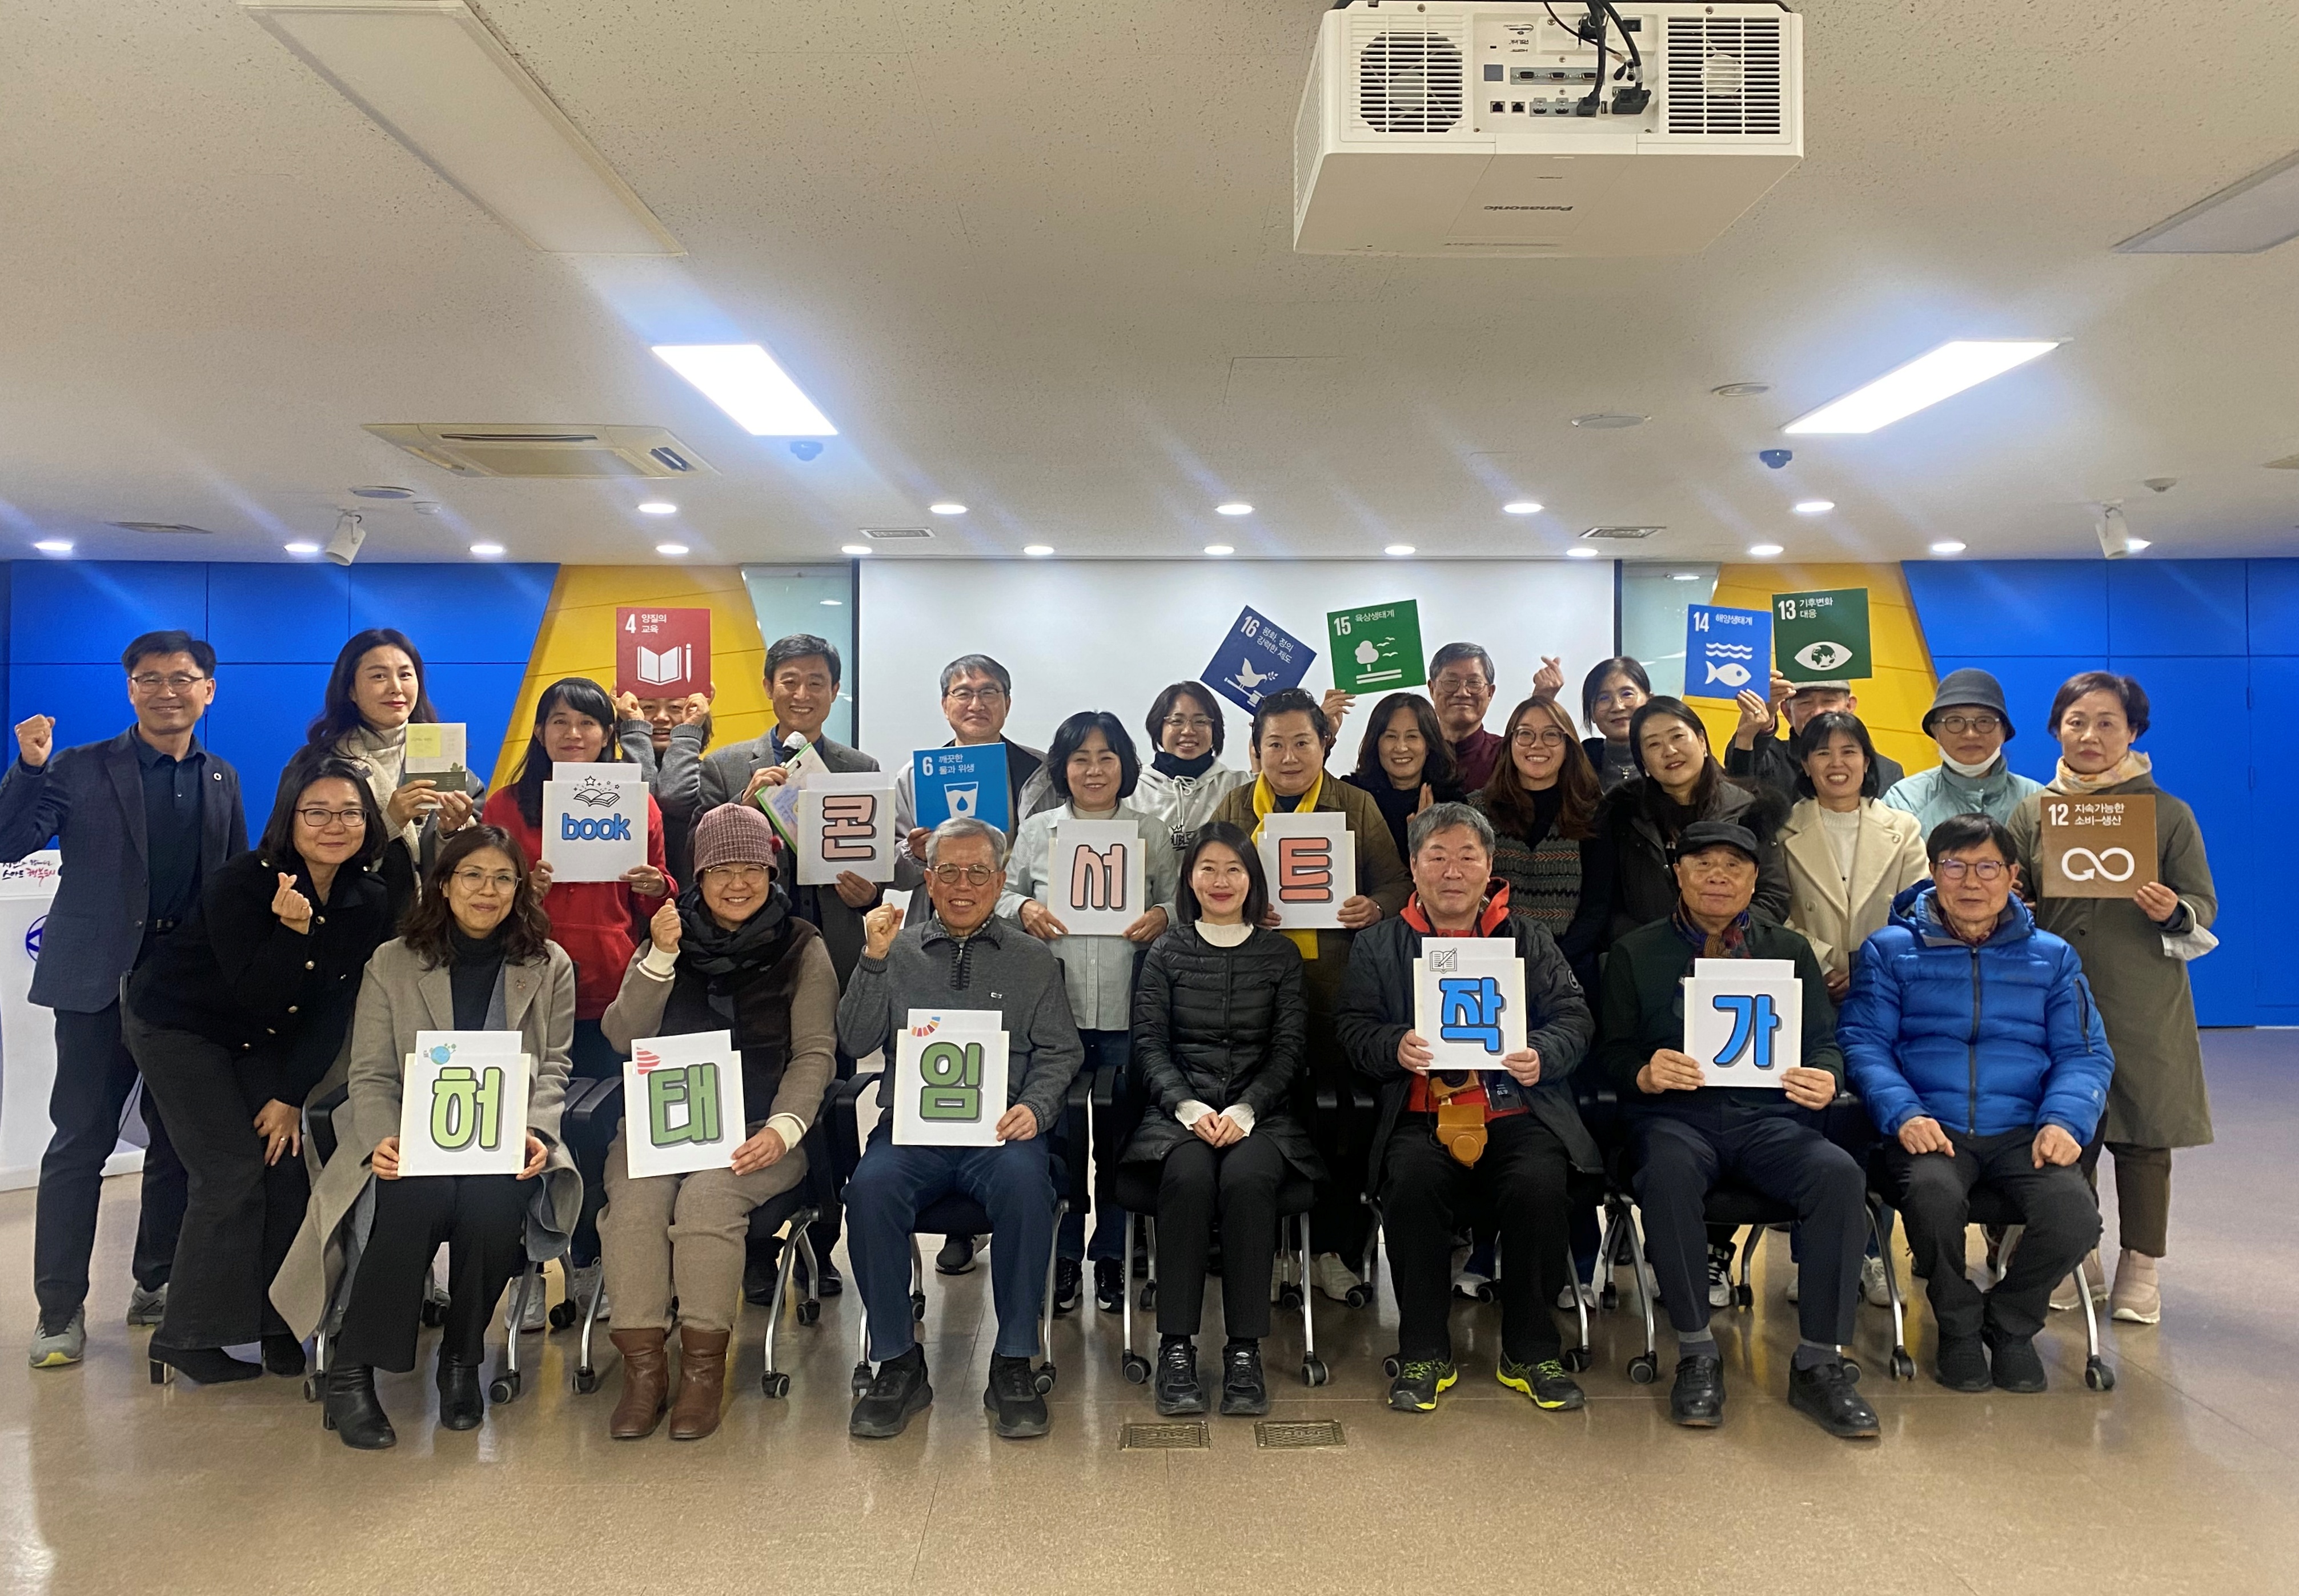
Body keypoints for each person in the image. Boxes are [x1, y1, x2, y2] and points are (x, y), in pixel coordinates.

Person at [272, 826, 579, 1449]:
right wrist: (382, 1139)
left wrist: (536, 1130)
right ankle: (353, 1370)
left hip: (502, 1138)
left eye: (503, 878)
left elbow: (554, 1066)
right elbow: (371, 1073)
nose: (487, 890)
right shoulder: (392, 961)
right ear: (443, 882)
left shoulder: (548, 963)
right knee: (417, 1197)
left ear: (520, 888)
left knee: (494, 1207)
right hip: (411, 1138)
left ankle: (461, 1361)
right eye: (473, 875)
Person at [1, 629, 244, 1370]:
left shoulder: (220, 776)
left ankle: (156, 1280)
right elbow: (11, 842)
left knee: (176, 1141)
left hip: (181, 991)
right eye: (149, 678)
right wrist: (28, 768)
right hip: (95, 985)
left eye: (182, 677)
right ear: (130, 688)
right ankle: (58, 1311)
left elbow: (230, 879)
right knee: (81, 1142)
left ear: (208, 689)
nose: (167, 690)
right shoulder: (78, 765)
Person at [1596, 820, 1879, 1440]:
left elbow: (1823, 1042)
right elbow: (1609, 1051)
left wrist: (1826, 1076)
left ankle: (1819, 1361)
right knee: (1666, 1171)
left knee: (1838, 1174)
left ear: (1754, 880)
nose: (1717, 877)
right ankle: (1697, 1351)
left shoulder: (1789, 950)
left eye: (1733, 866)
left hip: (1769, 1119)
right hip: (1674, 1119)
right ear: (1678, 874)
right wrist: (1642, 1071)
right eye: (1702, 864)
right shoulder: (1635, 952)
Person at [122, 759, 392, 1385]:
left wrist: (290, 1096)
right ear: (288, 817)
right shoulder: (242, 882)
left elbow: (331, 1008)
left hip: (261, 1038)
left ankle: (278, 1325)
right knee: (229, 1169)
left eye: (350, 812)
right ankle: (185, 1334)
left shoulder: (367, 896)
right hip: (181, 1025)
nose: (334, 825)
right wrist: (293, 932)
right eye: (316, 812)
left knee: (285, 1161)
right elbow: (257, 994)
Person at [1336, 803, 1598, 1414]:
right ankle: (1424, 1349)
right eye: (1437, 856)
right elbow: (1351, 1028)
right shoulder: (1378, 943)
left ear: (1489, 866)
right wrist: (1393, 1045)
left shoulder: (1526, 937)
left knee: (1539, 1183)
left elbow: (1574, 1016)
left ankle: (1530, 1350)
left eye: (1466, 857)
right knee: (1411, 1181)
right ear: (1413, 865)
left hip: (1514, 1109)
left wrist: (1543, 1052)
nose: (1451, 872)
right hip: (1421, 1113)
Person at [1839, 814, 2112, 1392]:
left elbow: (2084, 1052)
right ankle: (1958, 1325)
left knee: (2074, 1217)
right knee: (1932, 1199)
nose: (1970, 881)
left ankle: (2009, 1322)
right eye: (1954, 866)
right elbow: (1863, 1043)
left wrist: (2064, 1120)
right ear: (1932, 872)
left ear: (2012, 876)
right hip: (1928, 1126)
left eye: (1987, 866)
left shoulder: (2053, 956)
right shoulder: (1890, 950)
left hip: (2023, 1129)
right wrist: (1903, 1113)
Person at [595, 804, 836, 1441]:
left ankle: (703, 1371)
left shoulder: (802, 944)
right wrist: (659, 958)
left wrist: (783, 1128)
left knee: (707, 1201)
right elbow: (621, 1035)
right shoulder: (666, 935)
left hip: (758, 1128)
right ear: (697, 876)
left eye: (751, 868)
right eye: (720, 869)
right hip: (663, 1125)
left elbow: (815, 1051)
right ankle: (645, 1371)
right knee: (637, 1206)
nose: (737, 883)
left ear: (771, 872)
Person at [838, 817, 1084, 1441]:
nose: (963, 884)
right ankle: (897, 1360)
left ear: (1000, 882)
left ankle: (1013, 1360)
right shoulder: (895, 951)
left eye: (978, 872)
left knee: (1027, 1187)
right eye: (948, 870)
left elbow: (1061, 1051)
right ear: (928, 879)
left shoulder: (1032, 960)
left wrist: (1036, 1107)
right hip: (912, 1132)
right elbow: (854, 1039)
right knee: (869, 1189)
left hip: (999, 1132)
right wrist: (871, 960)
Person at [2007, 672, 2216, 1326]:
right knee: (2063, 1126)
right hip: (2054, 998)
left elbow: (2202, 903)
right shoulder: (2032, 811)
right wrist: (2016, 901)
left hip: (2142, 997)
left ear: (2133, 731)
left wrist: (2172, 909)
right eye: (2075, 721)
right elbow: (2014, 891)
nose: (2089, 735)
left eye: (2106, 722)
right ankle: (2078, 1253)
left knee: (2142, 1132)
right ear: (2055, 729)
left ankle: (2140, 1263)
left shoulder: (2166, 813)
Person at [692, 634, 878, 1299]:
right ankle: (751, 1248)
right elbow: (698, 858)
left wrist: (869, 892)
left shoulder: (858, 768)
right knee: (747, 1102)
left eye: (817, 682)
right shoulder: (724, 766)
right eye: (790, 680)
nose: (802, 693)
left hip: (828, 958)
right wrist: (745, 807)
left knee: (827, 1106)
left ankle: (821, 1244)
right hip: (741, 969)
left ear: (835, 691)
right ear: (769, 685)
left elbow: (874, 867)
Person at [1211, 688, 1411, 1302]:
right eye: (1275, 744)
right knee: (1265, 1115)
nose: (1290, 756)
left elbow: (1396, 883)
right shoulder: (1236, 804)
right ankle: (1268, 1245)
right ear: (1256, 749)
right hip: (1253, 990)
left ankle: (1333, 1247)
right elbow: (1205, 883)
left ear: (1324, 743)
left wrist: (1372, 906)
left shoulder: (1354, 803)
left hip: (1336, 990)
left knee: (1339, 1118)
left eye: (1302, 741)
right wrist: (1244, 904)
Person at [482, 677, 672, 1313]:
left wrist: (656, 884)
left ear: (608, 734)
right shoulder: (506, 807)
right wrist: (520, 892)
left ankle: (589, 1261)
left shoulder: (636, 804)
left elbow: (656, 904)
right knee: (517, 1132)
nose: (573, 733)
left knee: (596, 1136)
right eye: (559, 721)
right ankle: (526, 1271)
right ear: (539, 732)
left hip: (609, 992)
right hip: (524, 992)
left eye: (588, 723)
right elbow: (477, 896)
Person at [1122, 822, 1317, 1417]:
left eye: (1234, 868)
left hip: (1262, 1117)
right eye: (1207, 868)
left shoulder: (1279, 954)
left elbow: (1289, 1050)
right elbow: (1149, 1044)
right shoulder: (1166, 951)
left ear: (1252, 879)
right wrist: (1188, 1106)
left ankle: (1243, 1350)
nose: (1220, 880)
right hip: (1177, 1116)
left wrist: (1245, 1108)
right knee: (1187, 1178)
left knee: (1247, 1179)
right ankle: (1176, 1347)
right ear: (1189, 879)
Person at [1000, 711, 1179, 1313]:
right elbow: (1001, 894)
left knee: (1121, 1141)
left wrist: (1163, 915)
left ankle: (1112, 1255)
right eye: (1081, 758)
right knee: (1061, 1142)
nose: (1094, 769)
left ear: (1126, 765)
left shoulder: (1149, 831)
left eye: (1107, 757)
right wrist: (1023, 908)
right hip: (1058, 1018)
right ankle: (1063, 1255)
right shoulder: (1038, 830)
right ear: (1062, 767)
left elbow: (1179, 902)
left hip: (1130, 1014)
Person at [284, 628, 481, 921]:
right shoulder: (318, 765)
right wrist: (389, 822)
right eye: (378, 676)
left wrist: (452, 832)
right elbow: (291, 852)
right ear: (350, 690)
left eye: (406, 675)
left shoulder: (452, 765)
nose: (396, 688)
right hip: (350, 921)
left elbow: (480, 864)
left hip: (436, 926)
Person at [1598, 696, 1788, 944]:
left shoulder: (1748, 808)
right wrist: (1654, 945)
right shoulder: (1622, 813)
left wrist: (1720, 939)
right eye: (1654, 744)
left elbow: (1773, 896)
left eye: (1677, 736)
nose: (1669, 751)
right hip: (1650, 953)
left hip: (1733, 953)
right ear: (1643, 763)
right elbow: (1606, 904)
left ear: (1702, 741)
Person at [1778, 713, 1928, 1000]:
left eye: (1849, 752)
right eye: (1823, 753)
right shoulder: (1784, 831)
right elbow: (1776, 913)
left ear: (1866, 762)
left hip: (1887, 982)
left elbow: (1916, 911)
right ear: (1806, 765)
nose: (1837, 763)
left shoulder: (1905, 829)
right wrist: (1822, 965)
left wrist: (1864, 967)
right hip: (1808, 982)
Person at [1470, 694, 1610, 990]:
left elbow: (1596, 907)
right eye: (1525, 734)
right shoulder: (1476, 811)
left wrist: (1554, 961)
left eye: (1551, 735)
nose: (1537, 745)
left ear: (1568, 745)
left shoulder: (1592, 812)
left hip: (1570, 965)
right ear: (1509, 743)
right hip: (1490, 962)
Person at [893, 653, 1058, 863]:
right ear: (945, 705)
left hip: (1019, 885)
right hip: (942, 885)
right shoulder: (914, 776)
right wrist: (914, 854)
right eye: (963, 694)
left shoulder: (1043, 772)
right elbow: (891, 866)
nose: (976, 705)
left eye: (988, 693)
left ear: (1007, 704)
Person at [1884, 669, 2043, 830]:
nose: (1970, 734)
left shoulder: (2036, 799)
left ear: (2003, 731)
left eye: (1984, 721)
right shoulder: (1905, 800)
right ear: (1935, 732)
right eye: (1955, 721)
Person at [1727, 674, 1905, 799]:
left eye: (1829, 701)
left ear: (1849, 707)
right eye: (1806, 703)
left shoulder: (1886, 771)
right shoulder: (1771, 758)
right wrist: (1760, 726)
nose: (1818, 712)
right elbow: (1738, 774)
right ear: (1787, 712)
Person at [1133, 681, 1250, 866]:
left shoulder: (1240, 787)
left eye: (1201, 721)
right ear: (1158, 727)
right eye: (1176, 721)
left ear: (1214, 730)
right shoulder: (1132, 791)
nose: (1188, 731)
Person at [1342, 693, 1463, 863]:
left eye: (1412, 736)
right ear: (1376, 743)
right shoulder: (1353, 795)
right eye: (1391, 736)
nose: (1401, 747)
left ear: (1429, 745)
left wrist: (1425, 837)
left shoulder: (1451, 801)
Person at [1426, 642, 1564, 791]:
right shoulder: (1416, 753)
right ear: (1432, 689)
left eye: (1474, 683)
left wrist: (1542, 699)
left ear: (1490, 693)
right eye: (1451, 682)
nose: (1462, 693)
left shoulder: (1508, 755)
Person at [616, 688, 712, 888]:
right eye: (648, 707)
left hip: (693, 894)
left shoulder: (712, 773)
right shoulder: (610, 774)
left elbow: (673, 797)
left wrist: (689, 730)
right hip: (625, 894)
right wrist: (634, 727)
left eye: (675, 707)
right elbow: (639, 802)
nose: (661, 717)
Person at [1579, 656, 1651, 792]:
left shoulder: (1669, 757)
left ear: (1649, 700)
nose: (1618, 707)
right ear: (1591, 713)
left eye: (1627, 694)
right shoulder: (1581, 763)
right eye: (1604, 698)